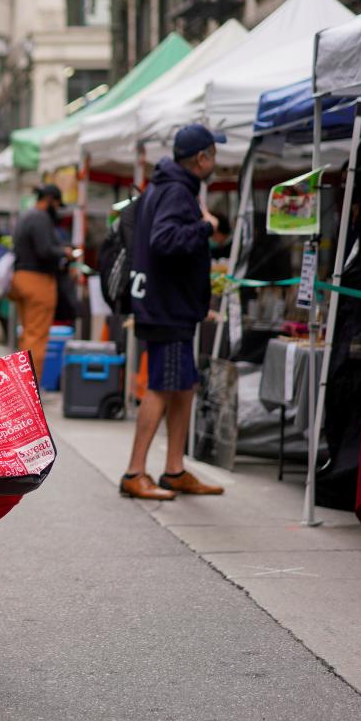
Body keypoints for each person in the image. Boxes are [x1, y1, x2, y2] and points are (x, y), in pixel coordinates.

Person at [120, 124, 227, 501]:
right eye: (214, 153)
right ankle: (135, 472)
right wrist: (203, 227)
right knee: (163, 387)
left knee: (183, 386)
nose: (216, 161)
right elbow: (164, 240)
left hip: (170, 306)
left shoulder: (166, 186)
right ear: (202, 158)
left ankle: (174, 469)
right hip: (166, 308)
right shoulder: (177, 191)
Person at [9, 183, 78, 382]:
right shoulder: (41, 218)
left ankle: (21, 382)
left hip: (20, 278)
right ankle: (31, 385)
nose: (56, 210)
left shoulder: (26, 215)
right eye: (56, 205)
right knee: (37, 336)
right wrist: (65, 252)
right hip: (37, 281)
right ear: (50, 201)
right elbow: (45, 250)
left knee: (27, 334)